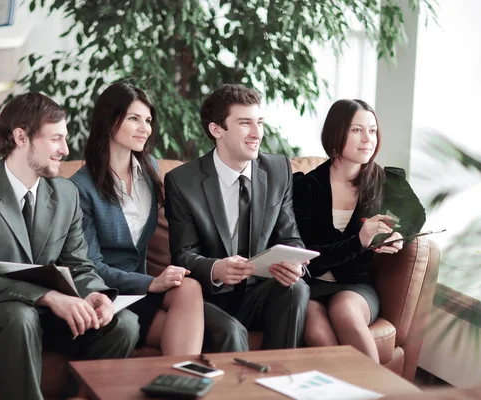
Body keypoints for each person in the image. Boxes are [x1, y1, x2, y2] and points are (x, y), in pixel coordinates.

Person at [0, 93, 140, 400]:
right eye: (55, 139)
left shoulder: (66, 193)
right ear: (21, 137)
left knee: (124, 324)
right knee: (19, 317)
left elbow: (79, 265)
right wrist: (48, 297)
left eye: (64, 139)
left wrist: (96, 294)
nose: (65, 150)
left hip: (47, 317)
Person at [164, 84, 310, 350]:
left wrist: (296, 263)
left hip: (260, 292)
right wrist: (216, 268)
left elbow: (291, 237)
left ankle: (278, 382)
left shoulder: (278, 170)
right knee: (231, 331)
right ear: (216, 130)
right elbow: (183, 254)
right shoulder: (182, 181)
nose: (257, 134)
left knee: (296, 289)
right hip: (211, 297)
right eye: (245, 123)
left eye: (259, 122)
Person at [70, 82, 204, 355]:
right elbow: (91, 265)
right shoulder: (80, 188)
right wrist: (151, 283)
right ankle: (180, 383)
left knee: (189, 287)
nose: (145, 128)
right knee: (194, 332)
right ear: (109, 122)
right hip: (109, 294)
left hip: (143, 289)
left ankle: (179, 385)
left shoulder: (150, 168)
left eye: (148, 120)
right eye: (134, 119)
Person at [293, 99, 426, 362]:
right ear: (336, 134)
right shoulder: (306, 187)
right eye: (357, 130)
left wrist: (400, 234)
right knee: (316, 329)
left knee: (345, 310)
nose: (368, 139)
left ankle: (374, 390)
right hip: (311, 284)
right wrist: (359, 241)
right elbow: (309, 256)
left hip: (357, 287)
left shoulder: (386, 182)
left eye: (373, 130)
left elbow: (416, 214)